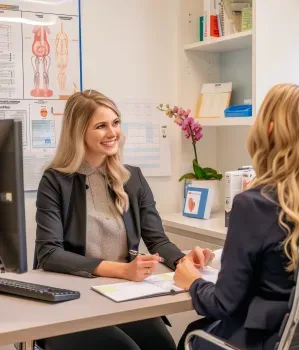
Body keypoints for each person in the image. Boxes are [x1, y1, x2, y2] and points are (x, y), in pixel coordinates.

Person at [33, 89, 214, 350]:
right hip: (71, 299)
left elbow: (157, 239)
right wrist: (123, 270)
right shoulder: (55, 181)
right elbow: (49, 254)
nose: (112, 132)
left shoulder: (133, 178)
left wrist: (184, 261)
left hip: (120, 293)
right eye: (101, 126)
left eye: (116, 123)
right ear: (79, 132)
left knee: (162, 346)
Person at [174, 84, 299, 350]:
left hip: (262, 340)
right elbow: (279, 259)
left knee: (193, 335)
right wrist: (222, 255)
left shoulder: (253, 204)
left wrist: (192, 282)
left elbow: (223, 303)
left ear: (268, 129)